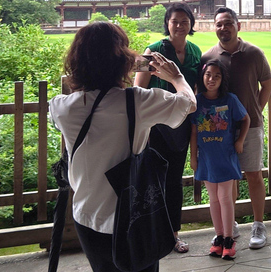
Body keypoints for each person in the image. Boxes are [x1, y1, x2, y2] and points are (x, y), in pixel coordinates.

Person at [49, 22, 196, 272]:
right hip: (134, 218)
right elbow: (188, 103)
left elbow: (84, 97)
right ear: (123, 59)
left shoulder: (62, 107)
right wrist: (176, 77)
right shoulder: (137, 102)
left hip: (87, 217)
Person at [202, 7, 271, 249]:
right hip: (219, 129)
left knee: (253, 174)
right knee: (227, 178)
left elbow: (267, 84)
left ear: (238, 25)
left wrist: (256, 110)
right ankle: (229, 225)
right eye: (219, 24)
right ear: (215, 27)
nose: (224, 28)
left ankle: (258, 224)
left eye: (228, 23)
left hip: (250, 125)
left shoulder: (253, 53)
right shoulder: (208, 56)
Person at [134, 2, 200, 253]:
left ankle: (173, 233)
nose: (180, 25)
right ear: (167, 24)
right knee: (152, 178)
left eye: (185, 21)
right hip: (155, 125)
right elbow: (138, 87)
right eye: (175, 21)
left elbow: (196, 87)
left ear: (191, 24)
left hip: (181, 125)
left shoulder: (195, 51)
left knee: (173, 180)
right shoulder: (152, 50)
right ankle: (151, 233)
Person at [190, 60, 250, 260]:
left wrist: (240, 140)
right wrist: (193, 157)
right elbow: (193, 131)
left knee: (225, 198)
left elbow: (245, 119)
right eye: (208, 75)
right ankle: (218, 237)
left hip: (225, 156)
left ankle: (228, 238)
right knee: (213, 199)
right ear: (202, 77)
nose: (211, 79)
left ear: (223, 79)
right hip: (206, 158)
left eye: (217, 76)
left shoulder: (230, 100)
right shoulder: (197, 101)